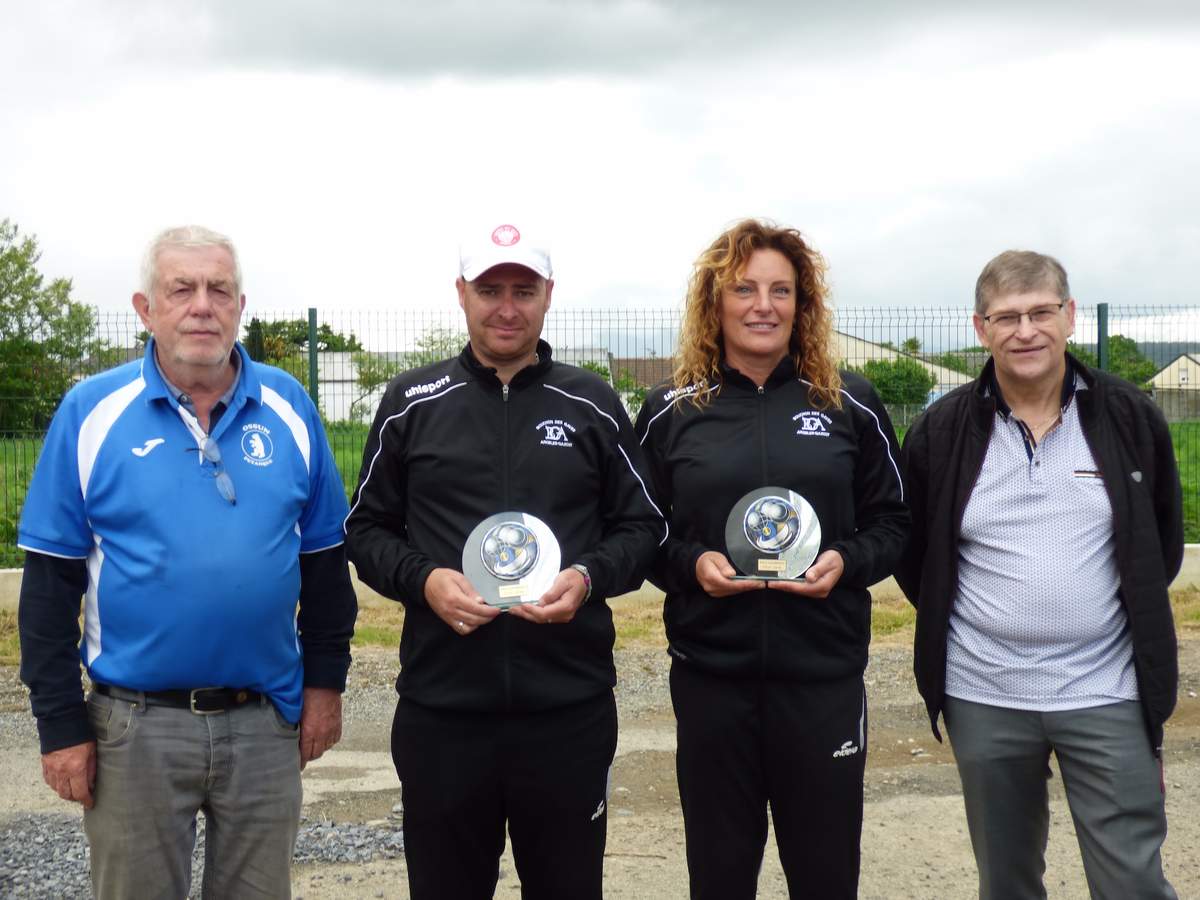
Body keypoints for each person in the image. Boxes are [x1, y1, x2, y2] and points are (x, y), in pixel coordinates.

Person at [17, 226, 358, 899]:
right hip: (134, 729)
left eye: (218, 290)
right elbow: (49, 589)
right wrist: (60, 727)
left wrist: (325, 686)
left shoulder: (289, 407)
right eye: (182, 289)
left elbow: (325, 565)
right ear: (147, 308)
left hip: (264, 724)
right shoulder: (91, 412)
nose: (202, 305)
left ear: (240, 306)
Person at [344, 222, 665, 900]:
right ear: (461, 294)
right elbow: (366, 530)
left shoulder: (593, 404)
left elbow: (642, 527)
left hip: (568, 709)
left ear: (549, 295)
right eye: (490, 289)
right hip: (443, 711)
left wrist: (587, 577)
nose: (507, 306)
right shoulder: (410, 402)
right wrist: (423, 580)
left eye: (524, 289)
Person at [634, 219, 909, 899]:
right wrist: (692, 562)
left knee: (824, 873)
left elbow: (894, 521)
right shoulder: (669, 410)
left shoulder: (852, 404)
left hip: (822, 678)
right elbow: (640, 530)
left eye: (781, 290)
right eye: (745, 288)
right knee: (721, 874)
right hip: (712, 678)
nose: (763, 305)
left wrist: (846, 560)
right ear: (715, 303)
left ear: (802, 305)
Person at [896, 250, 1181, 899]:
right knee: (1007, 880)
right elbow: (920, 559)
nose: (1026, 330)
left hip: (1107, 691)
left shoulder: (1129, 417)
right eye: (1008, 316)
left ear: (1070, 315)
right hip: (985, 694)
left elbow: (1156, 547)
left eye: (1041, 312)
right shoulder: (942, 430)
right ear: (981, 328)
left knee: (1132, 879)